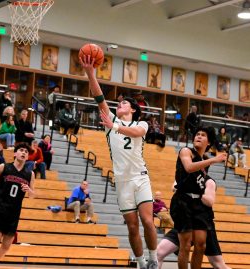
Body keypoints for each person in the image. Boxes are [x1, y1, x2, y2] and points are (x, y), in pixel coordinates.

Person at [80, 56, 158, 269]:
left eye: (124, 103)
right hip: (122, 181)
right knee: (132, 227)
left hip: (140, 177)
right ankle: (141, 263)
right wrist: (90, 73)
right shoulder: (110, 121)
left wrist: (114, 127)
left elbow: (135, 132)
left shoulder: (139, 122)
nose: (119, 105)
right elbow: (98, 96)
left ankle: (154, 258)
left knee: (147, 221)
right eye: (119, 103)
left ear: (132, 109)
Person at [169, 126, 227, 269]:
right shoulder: (186, 151)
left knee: (201, 244)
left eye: (203, 135)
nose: (198, 136)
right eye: (197, 134)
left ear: (209, 142)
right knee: (186, 244)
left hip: (198, 203)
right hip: (182, 200)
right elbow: (189, 167)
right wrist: (213, 160)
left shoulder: (204, 159)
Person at [158, 179, 230, 269]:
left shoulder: (208, 181)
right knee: (159, 252)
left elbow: (210, 201)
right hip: (185, 221)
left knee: (218, 264)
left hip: (203, 224)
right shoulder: (183, 176)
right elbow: (174, 187)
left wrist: (195, 193)